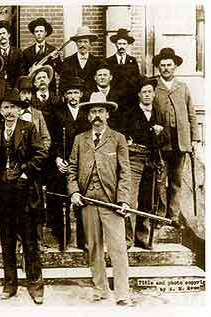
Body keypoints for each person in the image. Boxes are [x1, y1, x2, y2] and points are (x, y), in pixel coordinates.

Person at [67, 92, 132, 306]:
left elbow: (125, 172)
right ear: (88, 116)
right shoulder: (79, 139)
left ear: (107, 115)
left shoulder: (118, 139)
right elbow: (72, 170)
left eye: (101, 111)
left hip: (112, 203)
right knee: (93, 247)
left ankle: (122, 293)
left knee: (118, 248)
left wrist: (123, 200)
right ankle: (100, 289)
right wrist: (74, 192)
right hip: (88, 203)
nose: (97, 116)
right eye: (93, 111)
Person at [0, 88, 46, 304]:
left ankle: (35, 286)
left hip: (25, 191)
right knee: (7, 241)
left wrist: (24, 171)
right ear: (1, 110)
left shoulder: (29, 129)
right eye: (6, 108)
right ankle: (9, 283)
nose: (9, 112)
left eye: (13, 107)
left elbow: (41, 153)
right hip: (3, 193)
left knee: (30, 241)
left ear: (20, 110)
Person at [152, 47, 199, 227]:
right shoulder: (154, 87)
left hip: (181, 141)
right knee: (160, 179)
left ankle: (174, 215)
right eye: (162, 65)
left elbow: (191, 114)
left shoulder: (183, 87)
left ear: (175, 67)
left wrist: (194, 139)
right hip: (163, 142)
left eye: (169, 65)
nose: (165, 68)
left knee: (176, 180)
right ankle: (160, 215)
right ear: (158, 68)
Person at [122, 77, 167, 250]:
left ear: (154, 94)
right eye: (144, 92)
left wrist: (159, 134)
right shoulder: (131, 113)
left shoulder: (158, 113)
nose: (147, 95)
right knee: (130, 199)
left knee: (147, 200)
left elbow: (166, 139)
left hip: (152, 161)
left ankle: (142, 236)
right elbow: (124, 136)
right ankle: (128, 238)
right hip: (134, 159)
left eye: (150, 92)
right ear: (139, 95)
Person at [45, 76, 89, 250]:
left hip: (81, 163)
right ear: (64, 95)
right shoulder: (57, 112)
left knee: (81, 200)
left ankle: (82, 239)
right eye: (69, 93)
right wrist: (56, 158)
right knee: (58, 199)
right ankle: (61, 237)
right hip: (61, 163)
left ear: (81, 94)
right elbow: (51, 138)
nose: (73, 96)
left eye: (76, 93)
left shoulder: (87, 113)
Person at [16, 76, 51, 249]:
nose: (26, 97)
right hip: (18, 167)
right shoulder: (13, 114)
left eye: (29, 93)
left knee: (36, 204)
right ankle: (20, 241)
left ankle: (38, 240)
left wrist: (38, 155)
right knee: (18, 204)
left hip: (35, 166)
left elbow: (46, 139)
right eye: (23, 93)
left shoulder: (38, 115)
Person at [22, 17, 61, 95]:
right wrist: (30, 70)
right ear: (34, 33)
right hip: (33, 88)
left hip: (49, 88)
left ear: (45, 33)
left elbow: (59, 70)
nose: (39, 33)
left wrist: (55, 61)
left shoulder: (52, 50)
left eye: (41, 31)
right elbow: (22, 71)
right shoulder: (27, 52)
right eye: (36, 31)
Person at [105, 28, 141, 107]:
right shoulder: (108, 61)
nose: (122, 46)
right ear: (115, 44)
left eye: (124, 44)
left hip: (129, 99)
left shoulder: (133, 61)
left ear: (128, 45)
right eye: (119, 43)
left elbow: (137, 79)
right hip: (114, 98)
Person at [60, 26, 100, 94]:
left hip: (91, 99)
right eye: (80, 42)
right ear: (76, 44)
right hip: (74, 99)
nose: (82, 45)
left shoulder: (97, 62)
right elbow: (63, 84)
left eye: (85, 42)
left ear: (90, 44)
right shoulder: (68, 61)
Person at [89, 61, 124, 131]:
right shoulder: (89, 94)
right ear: (95, 78)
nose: (102, 77)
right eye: (100, 75)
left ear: (110, 77)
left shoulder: (120, 95)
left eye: (105, 75)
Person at [0, 20, 24, 88]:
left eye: (4, 33)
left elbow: (21, 73)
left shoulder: (18, 52)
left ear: (9, 35)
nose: (2, 36)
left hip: (14, 87)